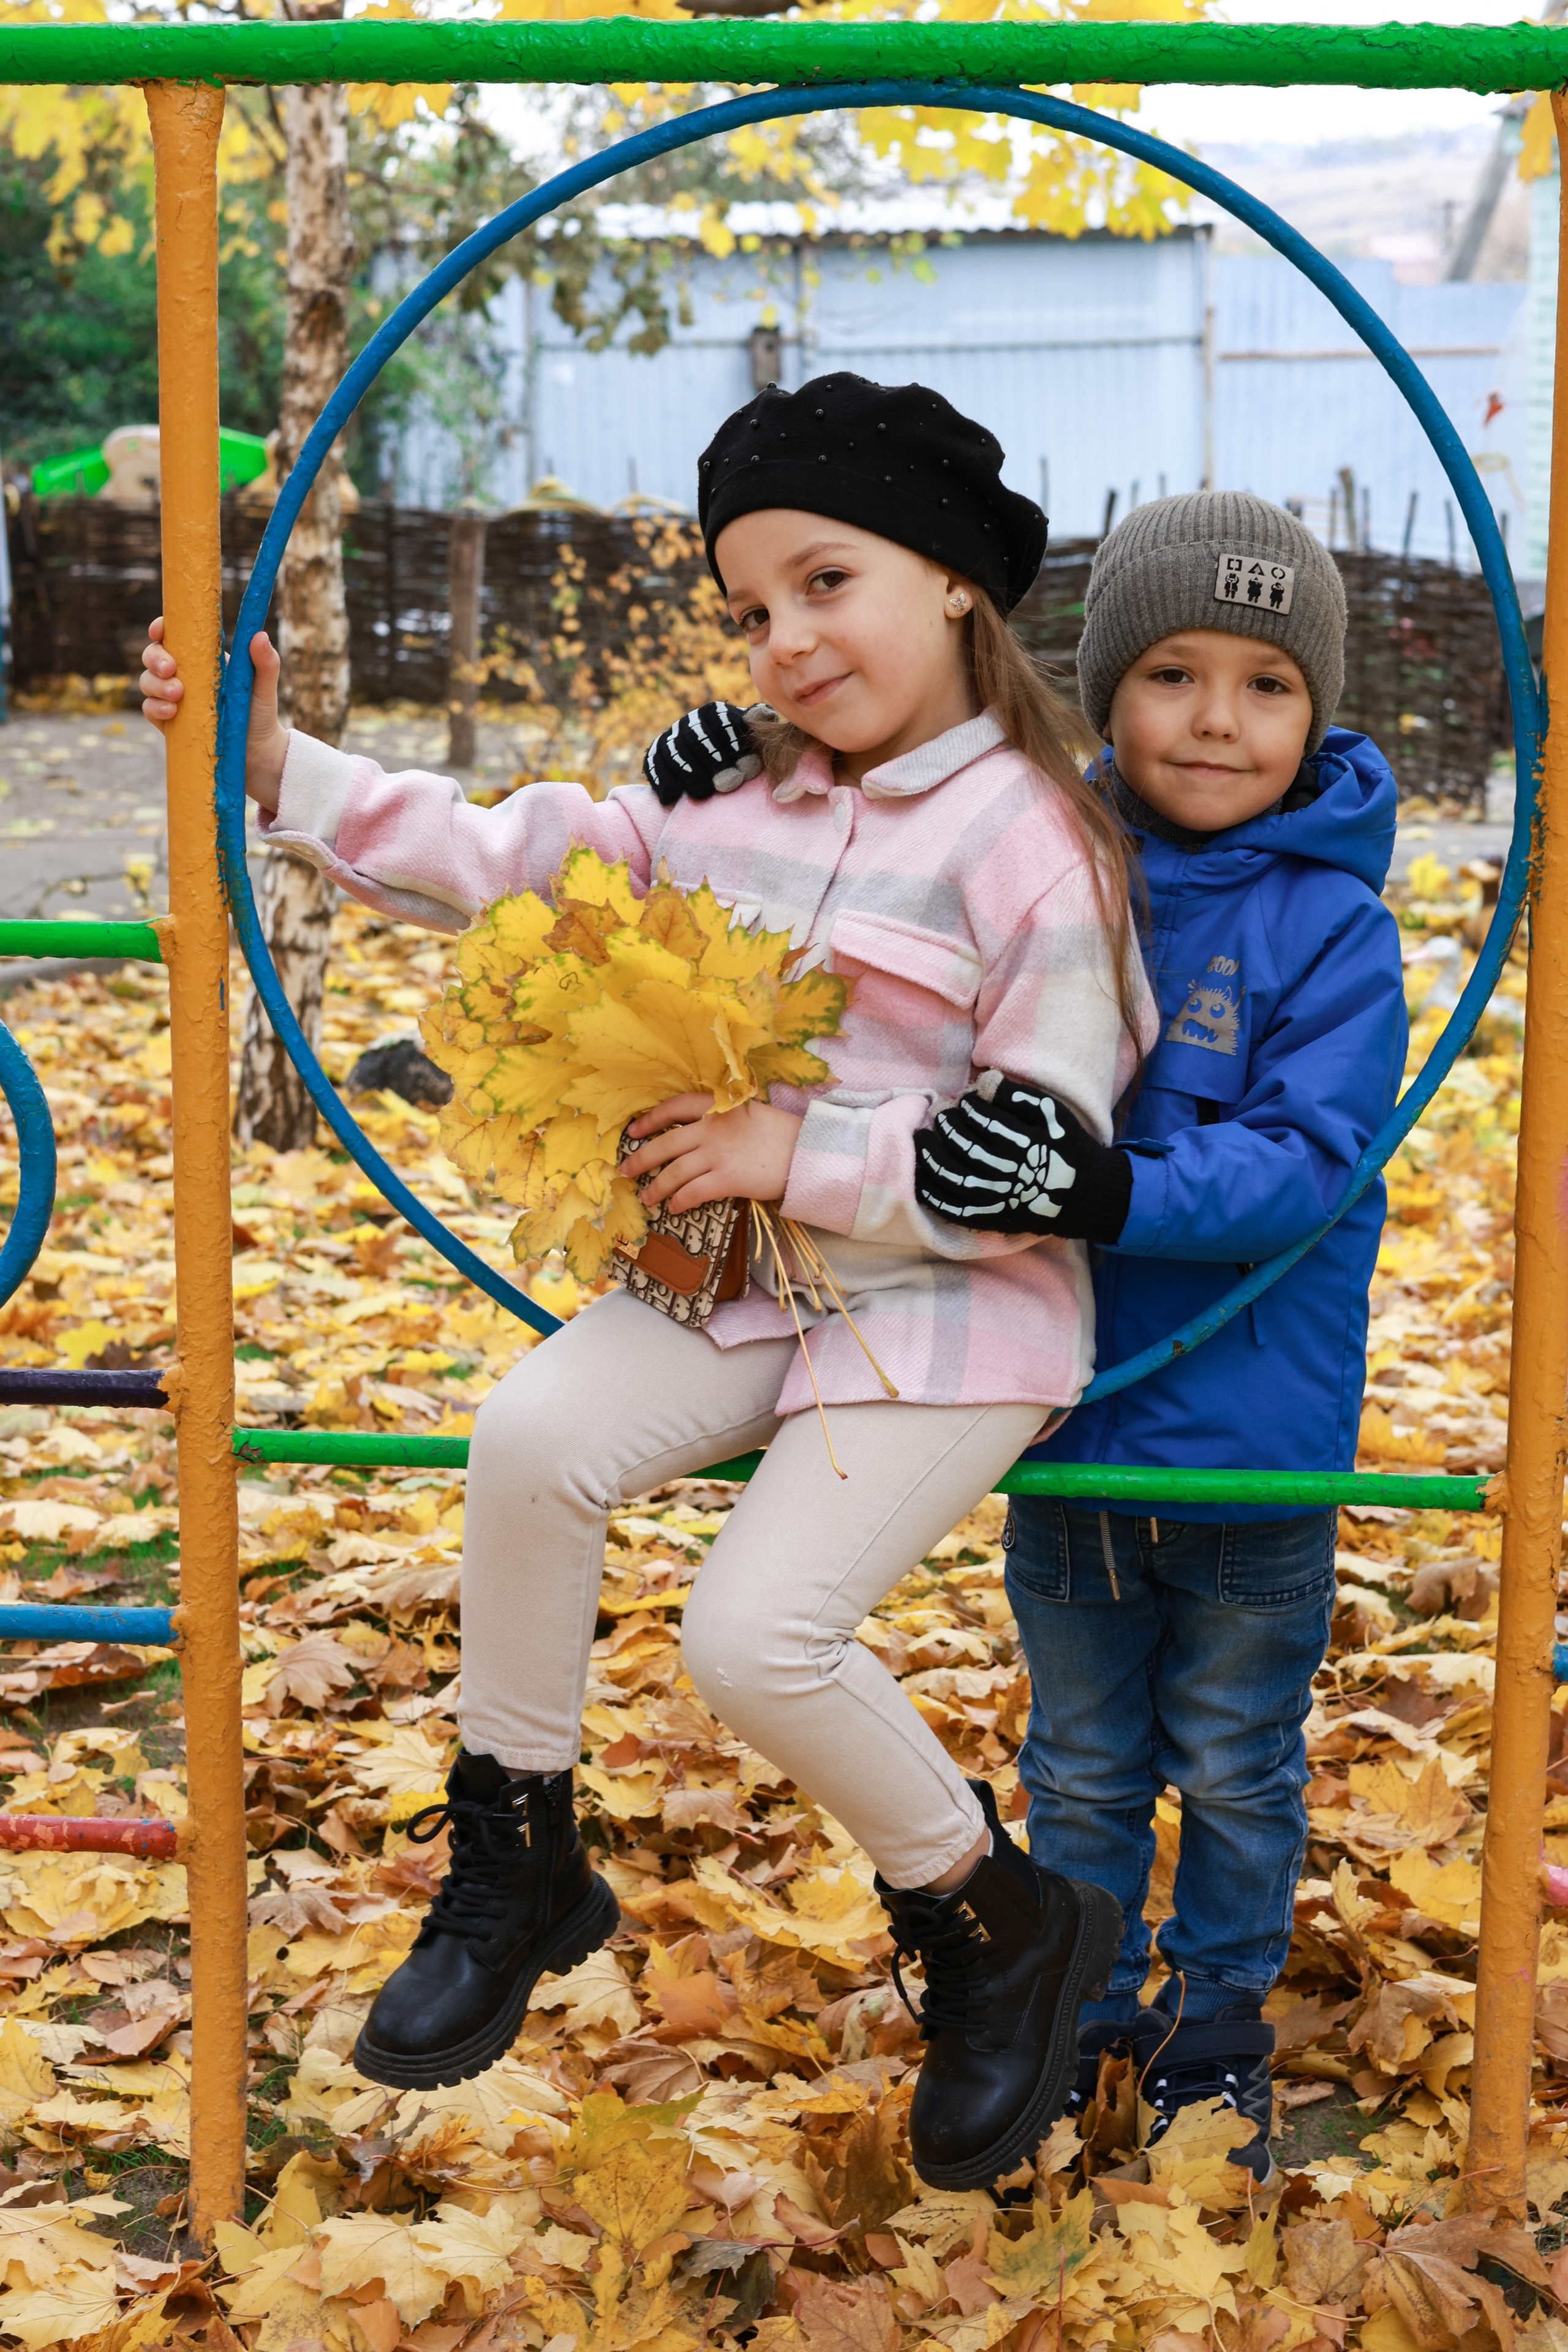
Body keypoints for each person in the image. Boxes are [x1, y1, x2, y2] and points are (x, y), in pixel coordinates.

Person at [140, 372, 1152, 2191]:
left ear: (953, 584)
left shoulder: (1030, 840)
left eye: (827, 583)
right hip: (739, 1292)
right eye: (753, 609)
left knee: (753, 1636)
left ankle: (994, 1914)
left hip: (946, 1315)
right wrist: (278, 768)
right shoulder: (730, 793)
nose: (785, 643)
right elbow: (519, 864)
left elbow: (1043, 1143)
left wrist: (807, 1155)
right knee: (532, 1435)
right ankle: (519, 1853)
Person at [910, 492, 1408, 2187]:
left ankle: (1217, 2028)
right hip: (1068, 1419)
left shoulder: (1332, 929)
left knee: (1240, 1767)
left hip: (1254, 1453)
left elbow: (1302, 1162)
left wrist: (1106, 1185)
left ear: (1318, 711)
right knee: (1085, 1761)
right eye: (1174, 674)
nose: (1215, 718)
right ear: (1104, 691)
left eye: (1267, 684)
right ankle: (1091, 2005)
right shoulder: (1055, 858)